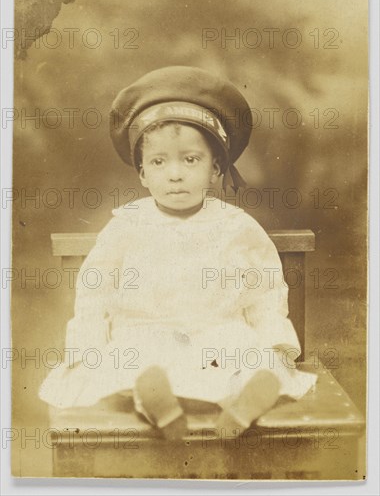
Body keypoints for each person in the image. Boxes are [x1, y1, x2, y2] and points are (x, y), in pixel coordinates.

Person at [39, 66, 317, 439]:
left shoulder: (236, 227)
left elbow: (264, 288)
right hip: (146, 332)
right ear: (142, 173)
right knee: (135, 361)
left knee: (246, 357)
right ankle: (158, 403)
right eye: (159, 162)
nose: (175, 174)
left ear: (215, 169)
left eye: (190, 160)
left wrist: (273, 342)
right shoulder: (126, 226)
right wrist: (88, 346)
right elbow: (95, 291)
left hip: (218, 333)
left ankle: (248, 400)